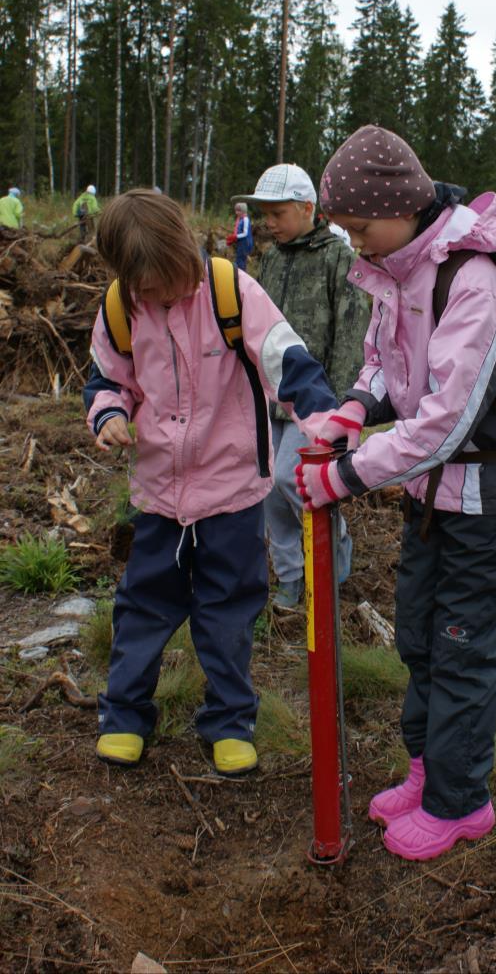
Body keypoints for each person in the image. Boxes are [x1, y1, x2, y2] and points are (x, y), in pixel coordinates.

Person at [296, 125, 496, 862]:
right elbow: (384, 364)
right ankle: (427, 769)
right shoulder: (397, 269)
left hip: (489, 500)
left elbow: (445, 418)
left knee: (464, 650)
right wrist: (355, 408)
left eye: (360, 227)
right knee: (418, 639)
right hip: (430, 496)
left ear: (401, 206)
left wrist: (344, 473)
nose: (355, 244)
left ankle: (461, 802)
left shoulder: (478, 279)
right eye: (342, 231)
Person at [83, 189, 339, 772]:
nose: (166, 295)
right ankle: (124, 714)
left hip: (231, 492)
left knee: (228, 610)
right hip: (159, 495)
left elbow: (287, 362)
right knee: (143, 606)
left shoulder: (231, 291)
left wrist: (325, 425)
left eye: (173, 280)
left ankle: (229, 720)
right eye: (150, 288)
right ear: (127, 277)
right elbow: (105, 380)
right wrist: (110, 416)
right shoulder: (119, 309)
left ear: (187, 254)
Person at [232, 164, 369, 610]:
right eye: (264, 214)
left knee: (296, 477)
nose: (269, 223)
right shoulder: (269, 259)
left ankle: (334, 548)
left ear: (308, 207)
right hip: (271, 395)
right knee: (267, 485)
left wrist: (345, 401)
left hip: (318, 399)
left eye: (278, 213)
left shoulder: (338, 257)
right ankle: (292, 576)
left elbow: (352, 330)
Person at [226, 201, 254, 271]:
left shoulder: (245, 219)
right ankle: (239, 273)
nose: (236, 213)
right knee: (239, 259)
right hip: (241, 242)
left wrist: (235, 237)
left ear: (243, 211)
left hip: (245, 243)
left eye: (238, 211)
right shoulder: (240, 219)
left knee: (241, 260)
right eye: (236, 210)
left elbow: (245, 233)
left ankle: (241, 274)